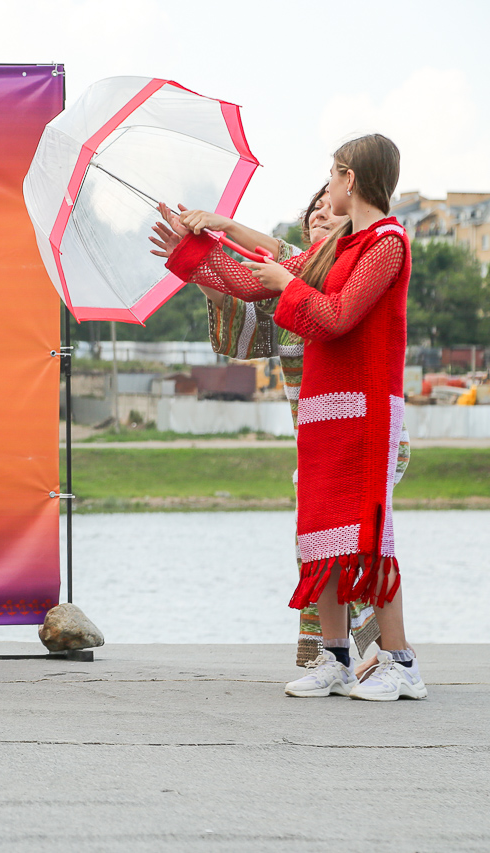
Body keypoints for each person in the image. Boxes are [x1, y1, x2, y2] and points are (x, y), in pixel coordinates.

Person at [157, 134, 424, 701]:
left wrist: (287, 284)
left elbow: (334, 318)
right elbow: (250, 280)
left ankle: (401, 665)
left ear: (351, 179)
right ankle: (337, 659)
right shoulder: (338, 248)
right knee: (320, 536)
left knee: (370, 538)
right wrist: (192, 253)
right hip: (323, 412)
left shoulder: (387, 243)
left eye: (333, 173)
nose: (327, 187)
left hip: (368, 411)